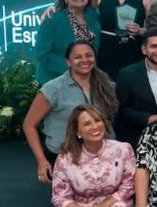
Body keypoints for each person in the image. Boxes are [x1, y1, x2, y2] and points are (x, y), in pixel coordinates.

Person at [48, 104, 136, 207]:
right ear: (78, 132)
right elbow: (59, 196)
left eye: (97, 120)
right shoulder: (65, 158)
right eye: (87, 124)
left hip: (115, 203)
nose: (95, 126)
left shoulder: (123, 149)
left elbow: (129, 185)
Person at [24, 41, 119, 184]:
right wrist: (41, 161)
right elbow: (29, 125)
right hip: (65, 157)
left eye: (89, 55)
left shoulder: (108, 86)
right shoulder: (53, 89)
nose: (84, 60)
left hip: (104, 156)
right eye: (77, 57)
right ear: (68, 62)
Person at [93, 0, 155, 79]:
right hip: (105, 56)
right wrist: (54, 8)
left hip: (135, 55)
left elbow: (155, 29)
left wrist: (141, 30)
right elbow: (77, 8)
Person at [35, 0, 101, 84]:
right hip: (56, 81)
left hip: (89, 80)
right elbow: (43, 54)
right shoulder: (52, 19)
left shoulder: (93, 15)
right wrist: (74, 67)